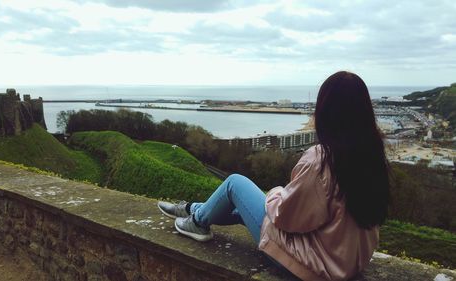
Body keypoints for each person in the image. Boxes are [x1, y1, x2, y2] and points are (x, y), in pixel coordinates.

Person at [158, 71, 390, 281]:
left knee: (235, 183)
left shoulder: (323, 160)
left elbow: (286, 218)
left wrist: (276, 193)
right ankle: (194, 210)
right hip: (343, 261)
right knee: (244, 211)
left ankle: (197, 222)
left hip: (311, 267)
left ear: (326, 111)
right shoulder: (373, 156)